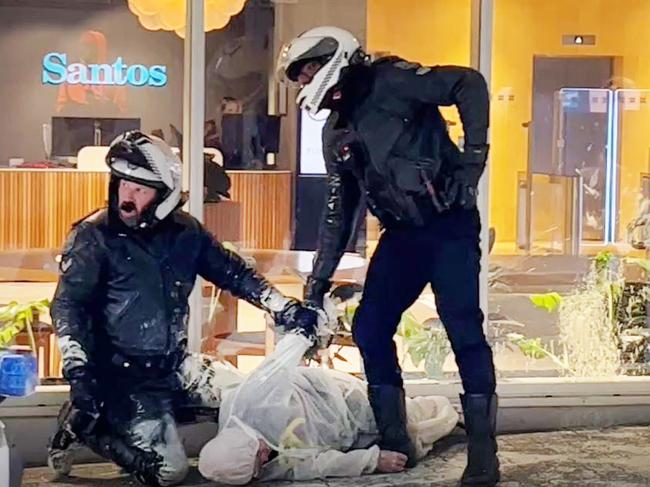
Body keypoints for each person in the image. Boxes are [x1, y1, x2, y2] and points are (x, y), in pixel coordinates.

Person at [276, 27, 498, 486]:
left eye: (307, 71)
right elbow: (339, 215)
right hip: (402, 236)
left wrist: (474, 160)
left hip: (450, 227)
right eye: (298, 78)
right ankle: (395, 440)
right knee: (370, 327)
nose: (303, 84)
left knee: (463, 327)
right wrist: (315, 286)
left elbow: (468, 83)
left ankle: (483, 452)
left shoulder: (391, 79)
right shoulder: (336, 130)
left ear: (331, 58)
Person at [46, 131, 323, 487]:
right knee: (168, 472)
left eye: (139, 189)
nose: (125, 197)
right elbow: (69, 305)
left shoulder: (186, 232)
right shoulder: (93, 236)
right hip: (121, 378)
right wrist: (78, 369)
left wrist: (284, 307)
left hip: (177, 365)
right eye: (122, 184)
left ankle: (148, 416)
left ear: (164, 195)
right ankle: (85, 426)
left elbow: (233, 272)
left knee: (254, 401)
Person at [197, 333, 459, 485]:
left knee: (415, 416)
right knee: (407, 444)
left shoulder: (251, 401)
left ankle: (458, 411)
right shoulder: (259, 467)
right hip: (342, 436)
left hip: (337, 398)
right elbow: (312, 466)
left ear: (246, 442)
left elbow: (278, 363)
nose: (265, 459)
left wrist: (303, 335)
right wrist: (372, 461)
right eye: (257, 467)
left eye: (258, 456)